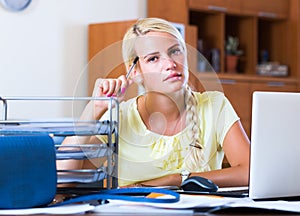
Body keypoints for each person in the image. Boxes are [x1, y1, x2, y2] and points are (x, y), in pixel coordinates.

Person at [57, 17, 250, 188]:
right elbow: (63, 178)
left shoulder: (214, 105)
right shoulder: (119, 117)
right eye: (154, 58)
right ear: (136, 72)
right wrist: (93, 109)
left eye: (175, 51)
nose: (170, 64)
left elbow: (249, 171)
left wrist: (175, 179)